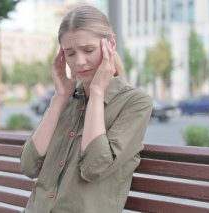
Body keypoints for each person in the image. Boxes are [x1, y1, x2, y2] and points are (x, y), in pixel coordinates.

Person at [20, 5, 153, 213]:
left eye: (88, 50)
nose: (79, 62)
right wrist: (60, 96)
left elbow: (94, 168)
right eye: (70, 53)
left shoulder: (135, 103)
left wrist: (97, 93)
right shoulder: (67, 101)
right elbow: (28, 166)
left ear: (111, 44)